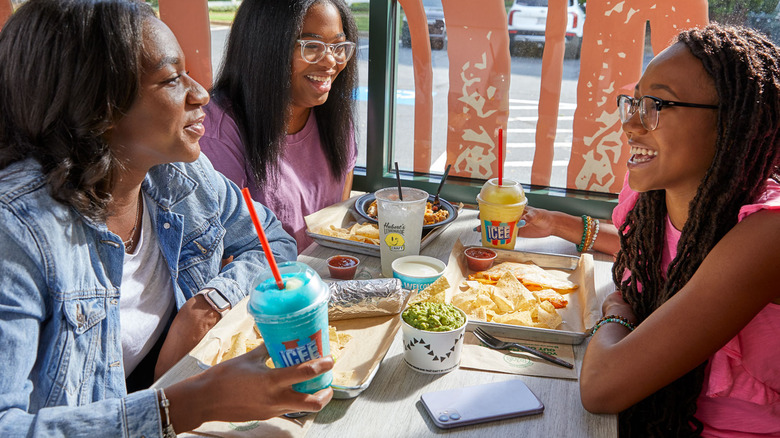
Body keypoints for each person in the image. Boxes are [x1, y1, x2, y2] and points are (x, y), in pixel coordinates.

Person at [0, 1, 334, 436]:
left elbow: (269, 239)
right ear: (97, 105)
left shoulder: (179, 175)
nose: (200, 93)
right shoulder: (17, 233)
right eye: (172, 79)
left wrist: (208, 304)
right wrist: (190, 403)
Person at [518, 24, 780, 436]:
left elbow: (602, 388)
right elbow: (652, 247)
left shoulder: (767, 234)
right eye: (634, 102)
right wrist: (556, 223)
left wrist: (616, 314)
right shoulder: (658, 194)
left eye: (656, 104)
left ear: (730, 121)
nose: (631, 124)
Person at [200, 0, 359, 254]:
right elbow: (222, 254)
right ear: (264, 48)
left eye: (338, 46)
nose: (331, 61)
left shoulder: (335, 118)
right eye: (312, 46)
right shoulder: (218, 131)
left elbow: (338, 222)